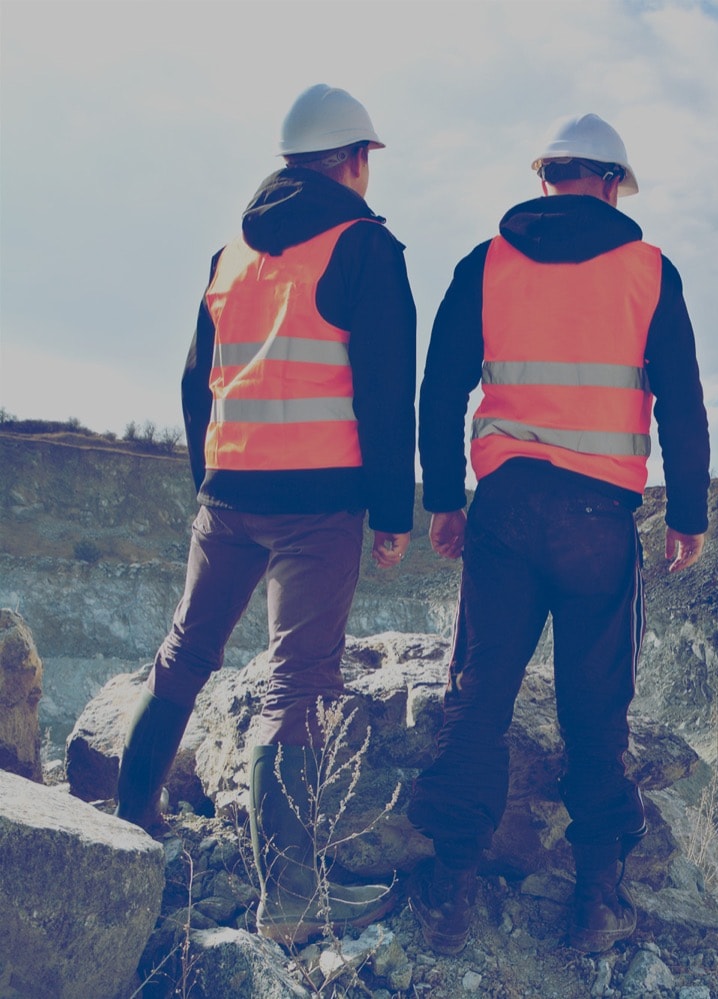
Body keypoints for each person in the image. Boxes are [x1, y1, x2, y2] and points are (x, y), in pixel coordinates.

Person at [113, 84, 417, 946]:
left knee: (183, 651)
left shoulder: (231, 254)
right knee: (297, 680)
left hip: (230, 491)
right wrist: (392, 511)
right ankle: (289, 896)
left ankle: (130, 822)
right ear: (354, 161)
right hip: (318, 504)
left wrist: (210, 478)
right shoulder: (365, 247)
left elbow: (191, 381)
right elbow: (388, 394)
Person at [407, 112, 710, 956]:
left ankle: (452, 888)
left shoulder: (487, 262)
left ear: (545, 177)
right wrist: (688, 510)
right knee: (594, 713)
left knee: (478, 699)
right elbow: (681, 399)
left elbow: (440, 387)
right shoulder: (649, 271)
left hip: (505, 509)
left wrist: (445, 498)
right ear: (613, 185)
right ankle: (595, 901)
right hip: (598, 522)